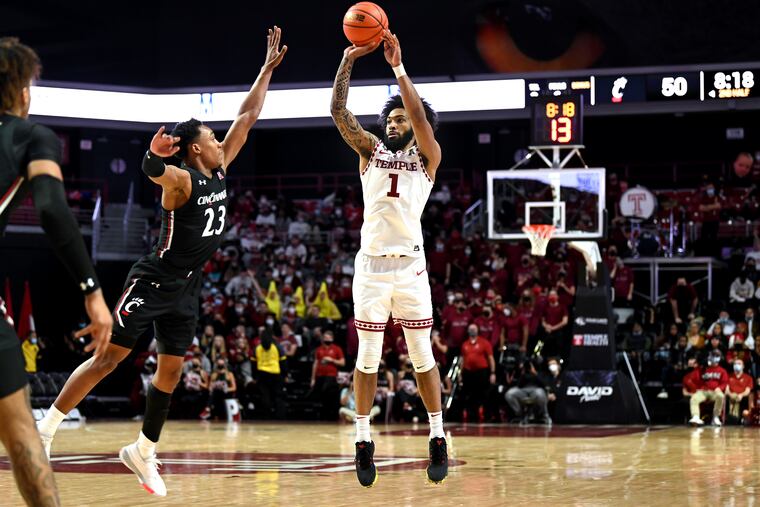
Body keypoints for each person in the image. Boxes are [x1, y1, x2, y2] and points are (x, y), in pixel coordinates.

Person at [35, 28, 286, 497]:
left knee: (171, 370)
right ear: (196, 148)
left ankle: (143, 451)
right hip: (154, 279)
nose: (220, 140)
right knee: (109, 358)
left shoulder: (220, 166)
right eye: (212, 137)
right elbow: (154, 171)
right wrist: (152, 154)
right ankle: (45, 431)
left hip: (187, 286)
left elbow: (248, 116)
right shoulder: (183, 180)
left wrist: (265, 70)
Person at [330, 29, 447, 486]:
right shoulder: (370, 150)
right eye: (390, 120)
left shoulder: (428, 157)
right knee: (367, 358)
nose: (394, 124)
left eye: (401, 119)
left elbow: (418, 116)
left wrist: (398, 67)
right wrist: (348, 59)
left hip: (411, 267)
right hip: (372, 266)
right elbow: (339, 112)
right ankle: (363, 439)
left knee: (421, 355)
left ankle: (437, 435)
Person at [0, 37, 112, 507]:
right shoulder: (30, 136)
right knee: (20, 430)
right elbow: (51, 207)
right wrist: (92, 291)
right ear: (23, 90)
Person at [459, 324, 496, 423]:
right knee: (470, 396)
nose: (472, 330)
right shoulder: (465, 344)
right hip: (468, 373)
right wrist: (460, 374)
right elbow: (462, 360)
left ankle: (487, 416)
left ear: (478, 330)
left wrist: (493, 373)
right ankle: (472, 417)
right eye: (470, 329)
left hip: (481, 372)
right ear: (468, 331)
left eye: (474, 329)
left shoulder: (484, 343)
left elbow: (490, 358)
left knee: (483, 394)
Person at [688, 352, 728, 426]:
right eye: (712, 356)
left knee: (721, 396)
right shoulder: (703, 368)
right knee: (694, 398)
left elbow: (724, 382)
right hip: (703, 391)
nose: (713, 358)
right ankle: (695, 416)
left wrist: (720, 388)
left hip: (715, 391)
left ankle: (716, 417)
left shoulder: (722, 371)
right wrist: (699, 367)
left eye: (716, 356)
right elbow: (693, 379)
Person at [725, 358, 753, 424]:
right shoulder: (728, 376)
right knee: (734, 396)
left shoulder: (748, 377)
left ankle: (734, 417)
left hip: (743, 398)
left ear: (743, 366)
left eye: (739, 364)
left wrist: (741, 395)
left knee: (737, 397)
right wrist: (730, 394)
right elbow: (726, 389)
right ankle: (733, 417)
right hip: (730, 397)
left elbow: (748, 391)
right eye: (735, 364)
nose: (736, 365)